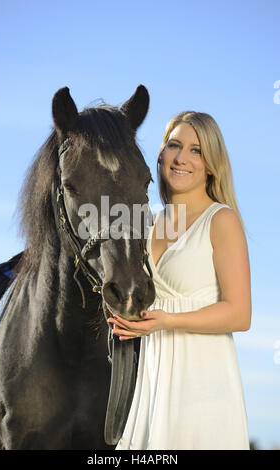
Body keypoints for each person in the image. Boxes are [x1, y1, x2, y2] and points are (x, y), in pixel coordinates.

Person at [108, 111, 251, 450]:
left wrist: (168, 321)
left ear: (211, 164)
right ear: (161, 154)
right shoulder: (145, 225)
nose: (182, 158)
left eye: (196, 150)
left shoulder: (221, 220)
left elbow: (240, 314)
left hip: (202, 385)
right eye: (174, 145)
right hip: (149, 382)